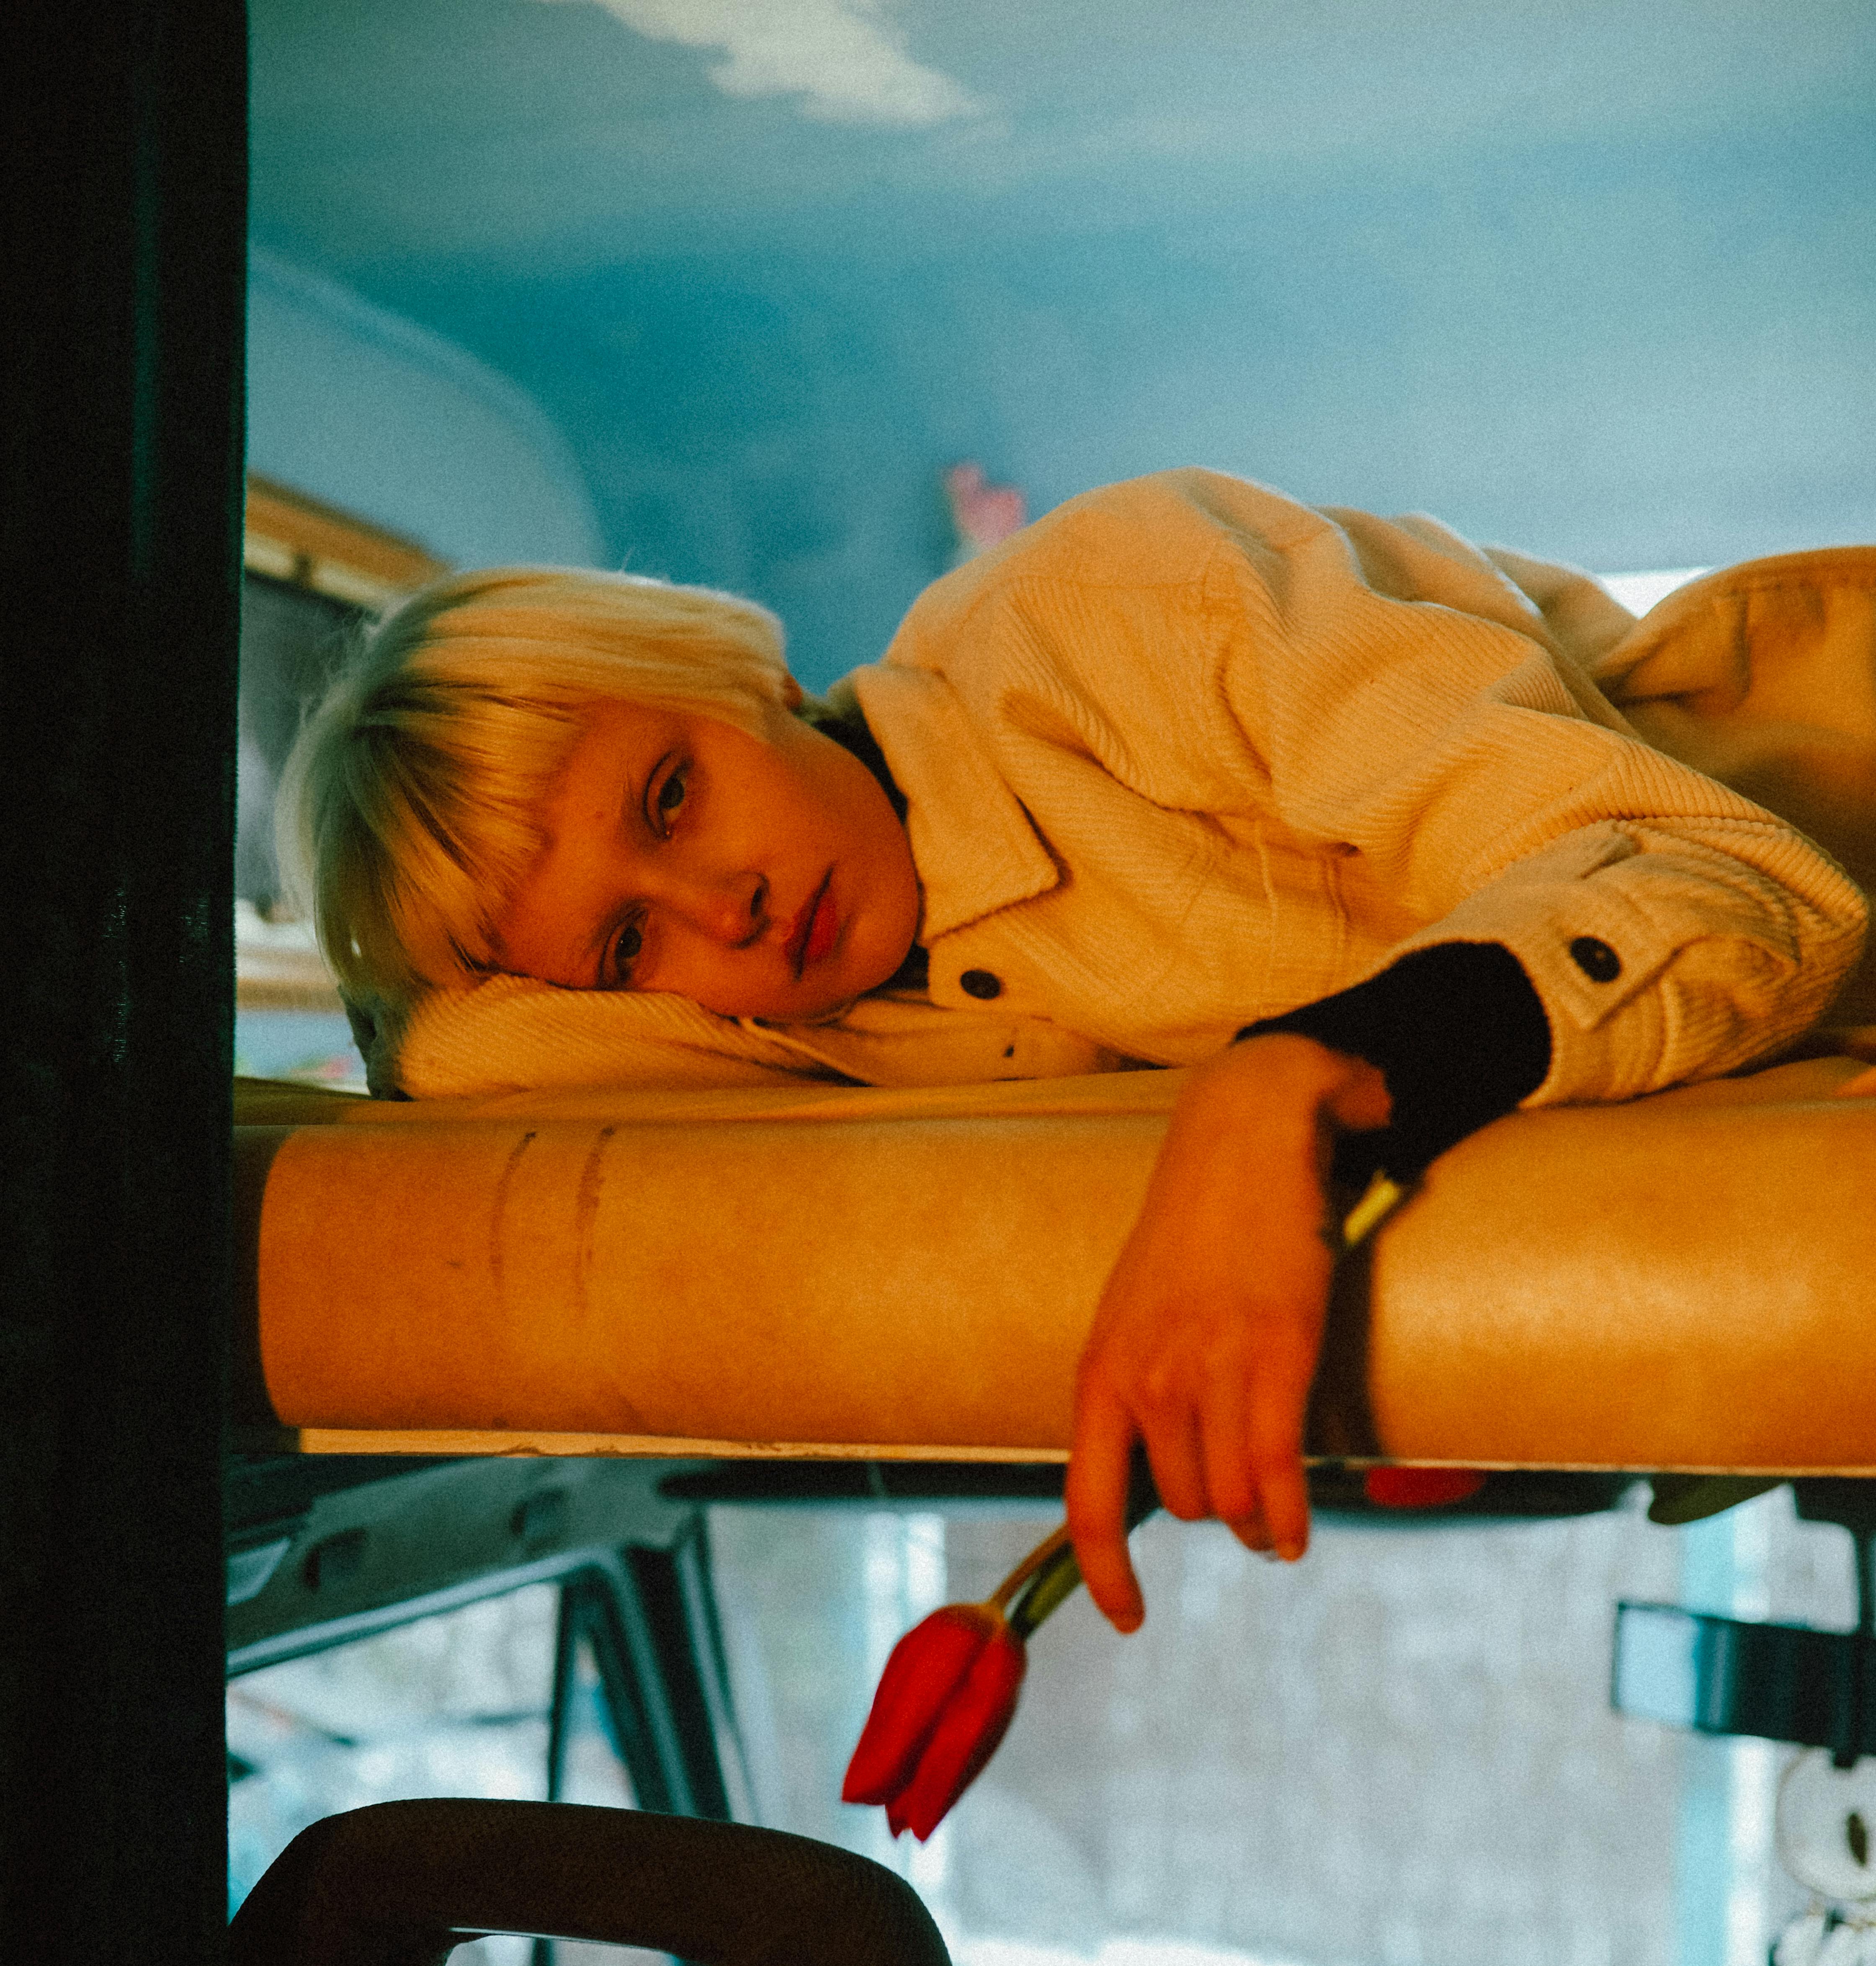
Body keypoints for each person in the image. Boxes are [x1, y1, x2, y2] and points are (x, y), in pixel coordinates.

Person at [278, 470, 1868, 1631]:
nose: (727, 912)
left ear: (731, 678)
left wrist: (1287, 1084)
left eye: (671, 797)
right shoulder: (805, 1062)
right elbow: (463, 1082)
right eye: (629, 945)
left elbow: (1719, 877)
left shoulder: (1119, 609)